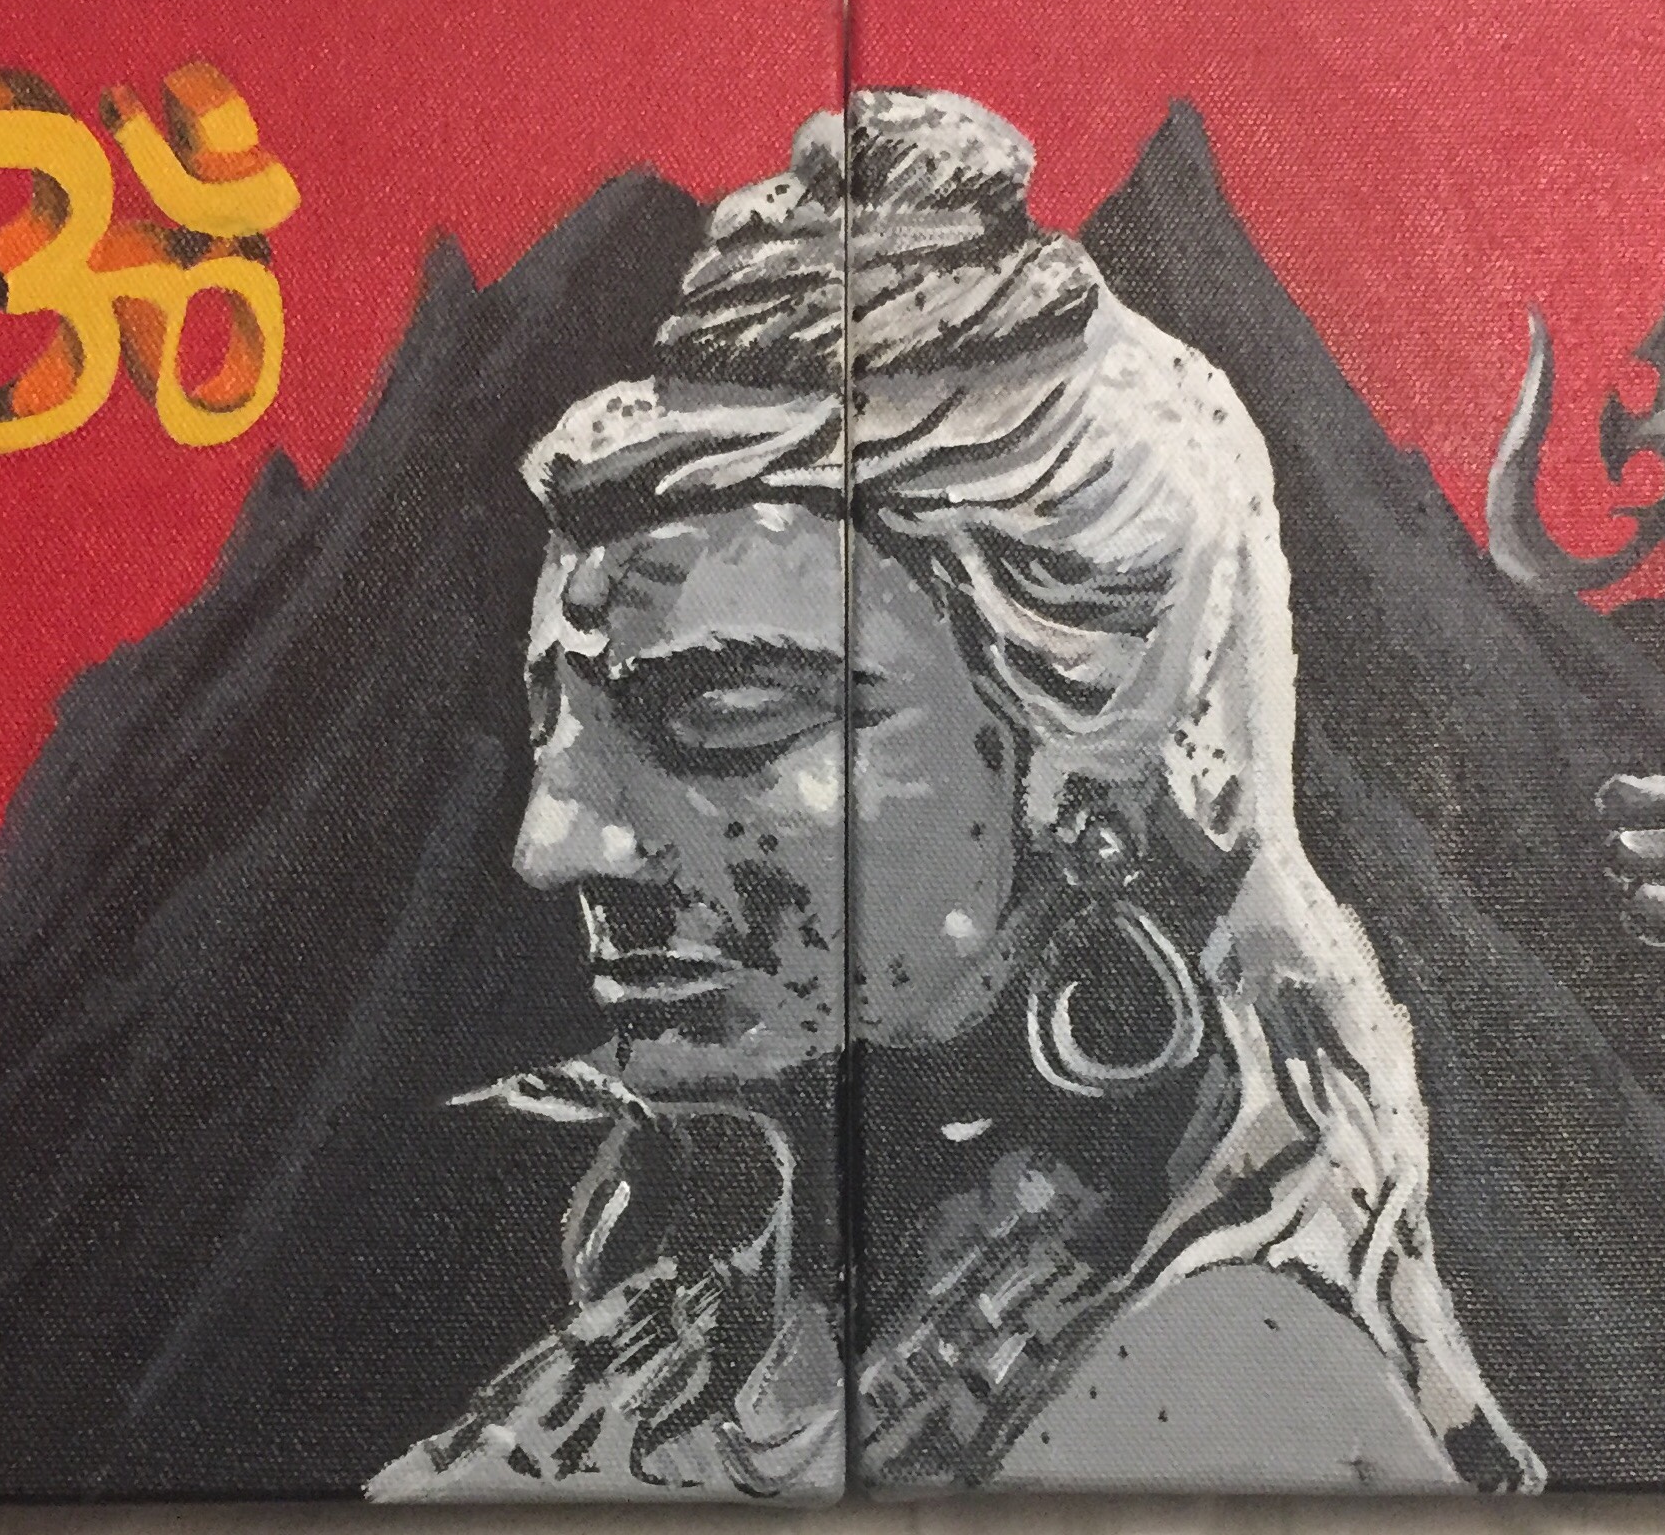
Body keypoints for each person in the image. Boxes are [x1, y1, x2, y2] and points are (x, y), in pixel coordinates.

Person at [367, 90, 1542, 1501]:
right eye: (558, 729)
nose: (557, 845)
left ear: (1081, 771)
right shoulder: (718, 1334)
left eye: (726, 717)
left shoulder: (1219, 1395)